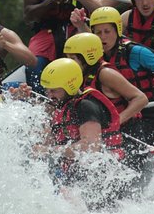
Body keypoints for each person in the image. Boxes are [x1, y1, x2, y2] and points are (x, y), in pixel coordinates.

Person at [70, 6, 154, 147]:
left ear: (117, 30)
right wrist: (80, 25)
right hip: (118, 117)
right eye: (98, 33)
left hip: (146, 116)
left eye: (107, 31)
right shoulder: (91, 57)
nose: (102, 37)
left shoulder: (136, 52)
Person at [35, 58, 127, 210]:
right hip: (78, 175)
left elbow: (89, 148)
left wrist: (49, 151)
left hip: (103, 177)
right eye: (48, 90)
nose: (49, 95)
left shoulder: (86, 106)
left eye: (54, 90)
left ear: (69, 86)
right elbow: (47, 140)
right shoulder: (62, 106)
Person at [62, 33, 149, 167]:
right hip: (104, 138)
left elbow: (141, 98)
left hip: (127, 135)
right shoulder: (77, 75)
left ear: (87, 57)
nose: (69, 63)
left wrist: (116, 122)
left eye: (73, 58)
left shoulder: (105, 74)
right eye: (67, 58)